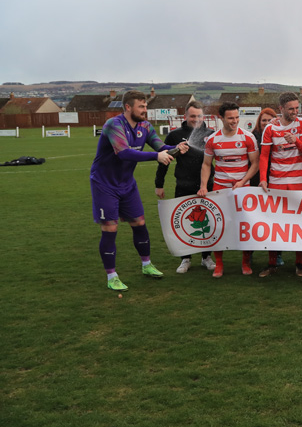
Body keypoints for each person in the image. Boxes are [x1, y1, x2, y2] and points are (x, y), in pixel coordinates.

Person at [91, 90, 188, 291]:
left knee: (140, 223)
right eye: (141, 107)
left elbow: (161, 147)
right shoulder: (114, 125)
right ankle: (112, 276)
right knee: (110, 229)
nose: (145, 110)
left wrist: (176, 148)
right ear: (128, 107)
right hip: (104, 184)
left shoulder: (145, 126)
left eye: (146, 106)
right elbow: (124, 153)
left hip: (127, 183)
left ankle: (147, 265)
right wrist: (156, 157)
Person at [155, 100, 216, 274]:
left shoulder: (211, 134)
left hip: (207, 186)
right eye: (192, 116)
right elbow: (164, 161)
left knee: (209, 221)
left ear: (203, 116)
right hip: (183, 186)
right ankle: (186, 259)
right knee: (184, 223)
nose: (196, 119)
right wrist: (159, 185)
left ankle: (206, 257)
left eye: (199, 116)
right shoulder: (175, 135)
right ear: (185, 116)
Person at [199, 101, 259, 278]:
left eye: (237, 118)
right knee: (219, 225)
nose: (234, 121)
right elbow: (206, 164)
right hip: (220, 187)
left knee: (244, 225)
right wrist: (203, 186)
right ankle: (219, 263)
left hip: (243, 188)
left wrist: (243, 181)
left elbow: (255, 164)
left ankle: (245, 262)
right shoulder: (213, 139)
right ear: (221, 118)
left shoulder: (248, 137)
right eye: (230, 118)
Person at [258, 92, 302, 278]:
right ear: (281, 109)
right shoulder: (270, 128)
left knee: (298, 223)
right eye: (291, 109)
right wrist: (263, 179)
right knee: (275, 224)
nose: (295, 111)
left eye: (297, 108)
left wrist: (295, 141)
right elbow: (264, 155)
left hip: (298, 182)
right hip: (277, 181)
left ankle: (299, 263)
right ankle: (272, 263)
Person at [250, 108, 277, 187]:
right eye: (264, 120)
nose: (267, 123)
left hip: (274, 173)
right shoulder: (253, 137)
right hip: (257, 175)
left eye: (270, 120)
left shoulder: (279, 135)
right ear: (259, 122)